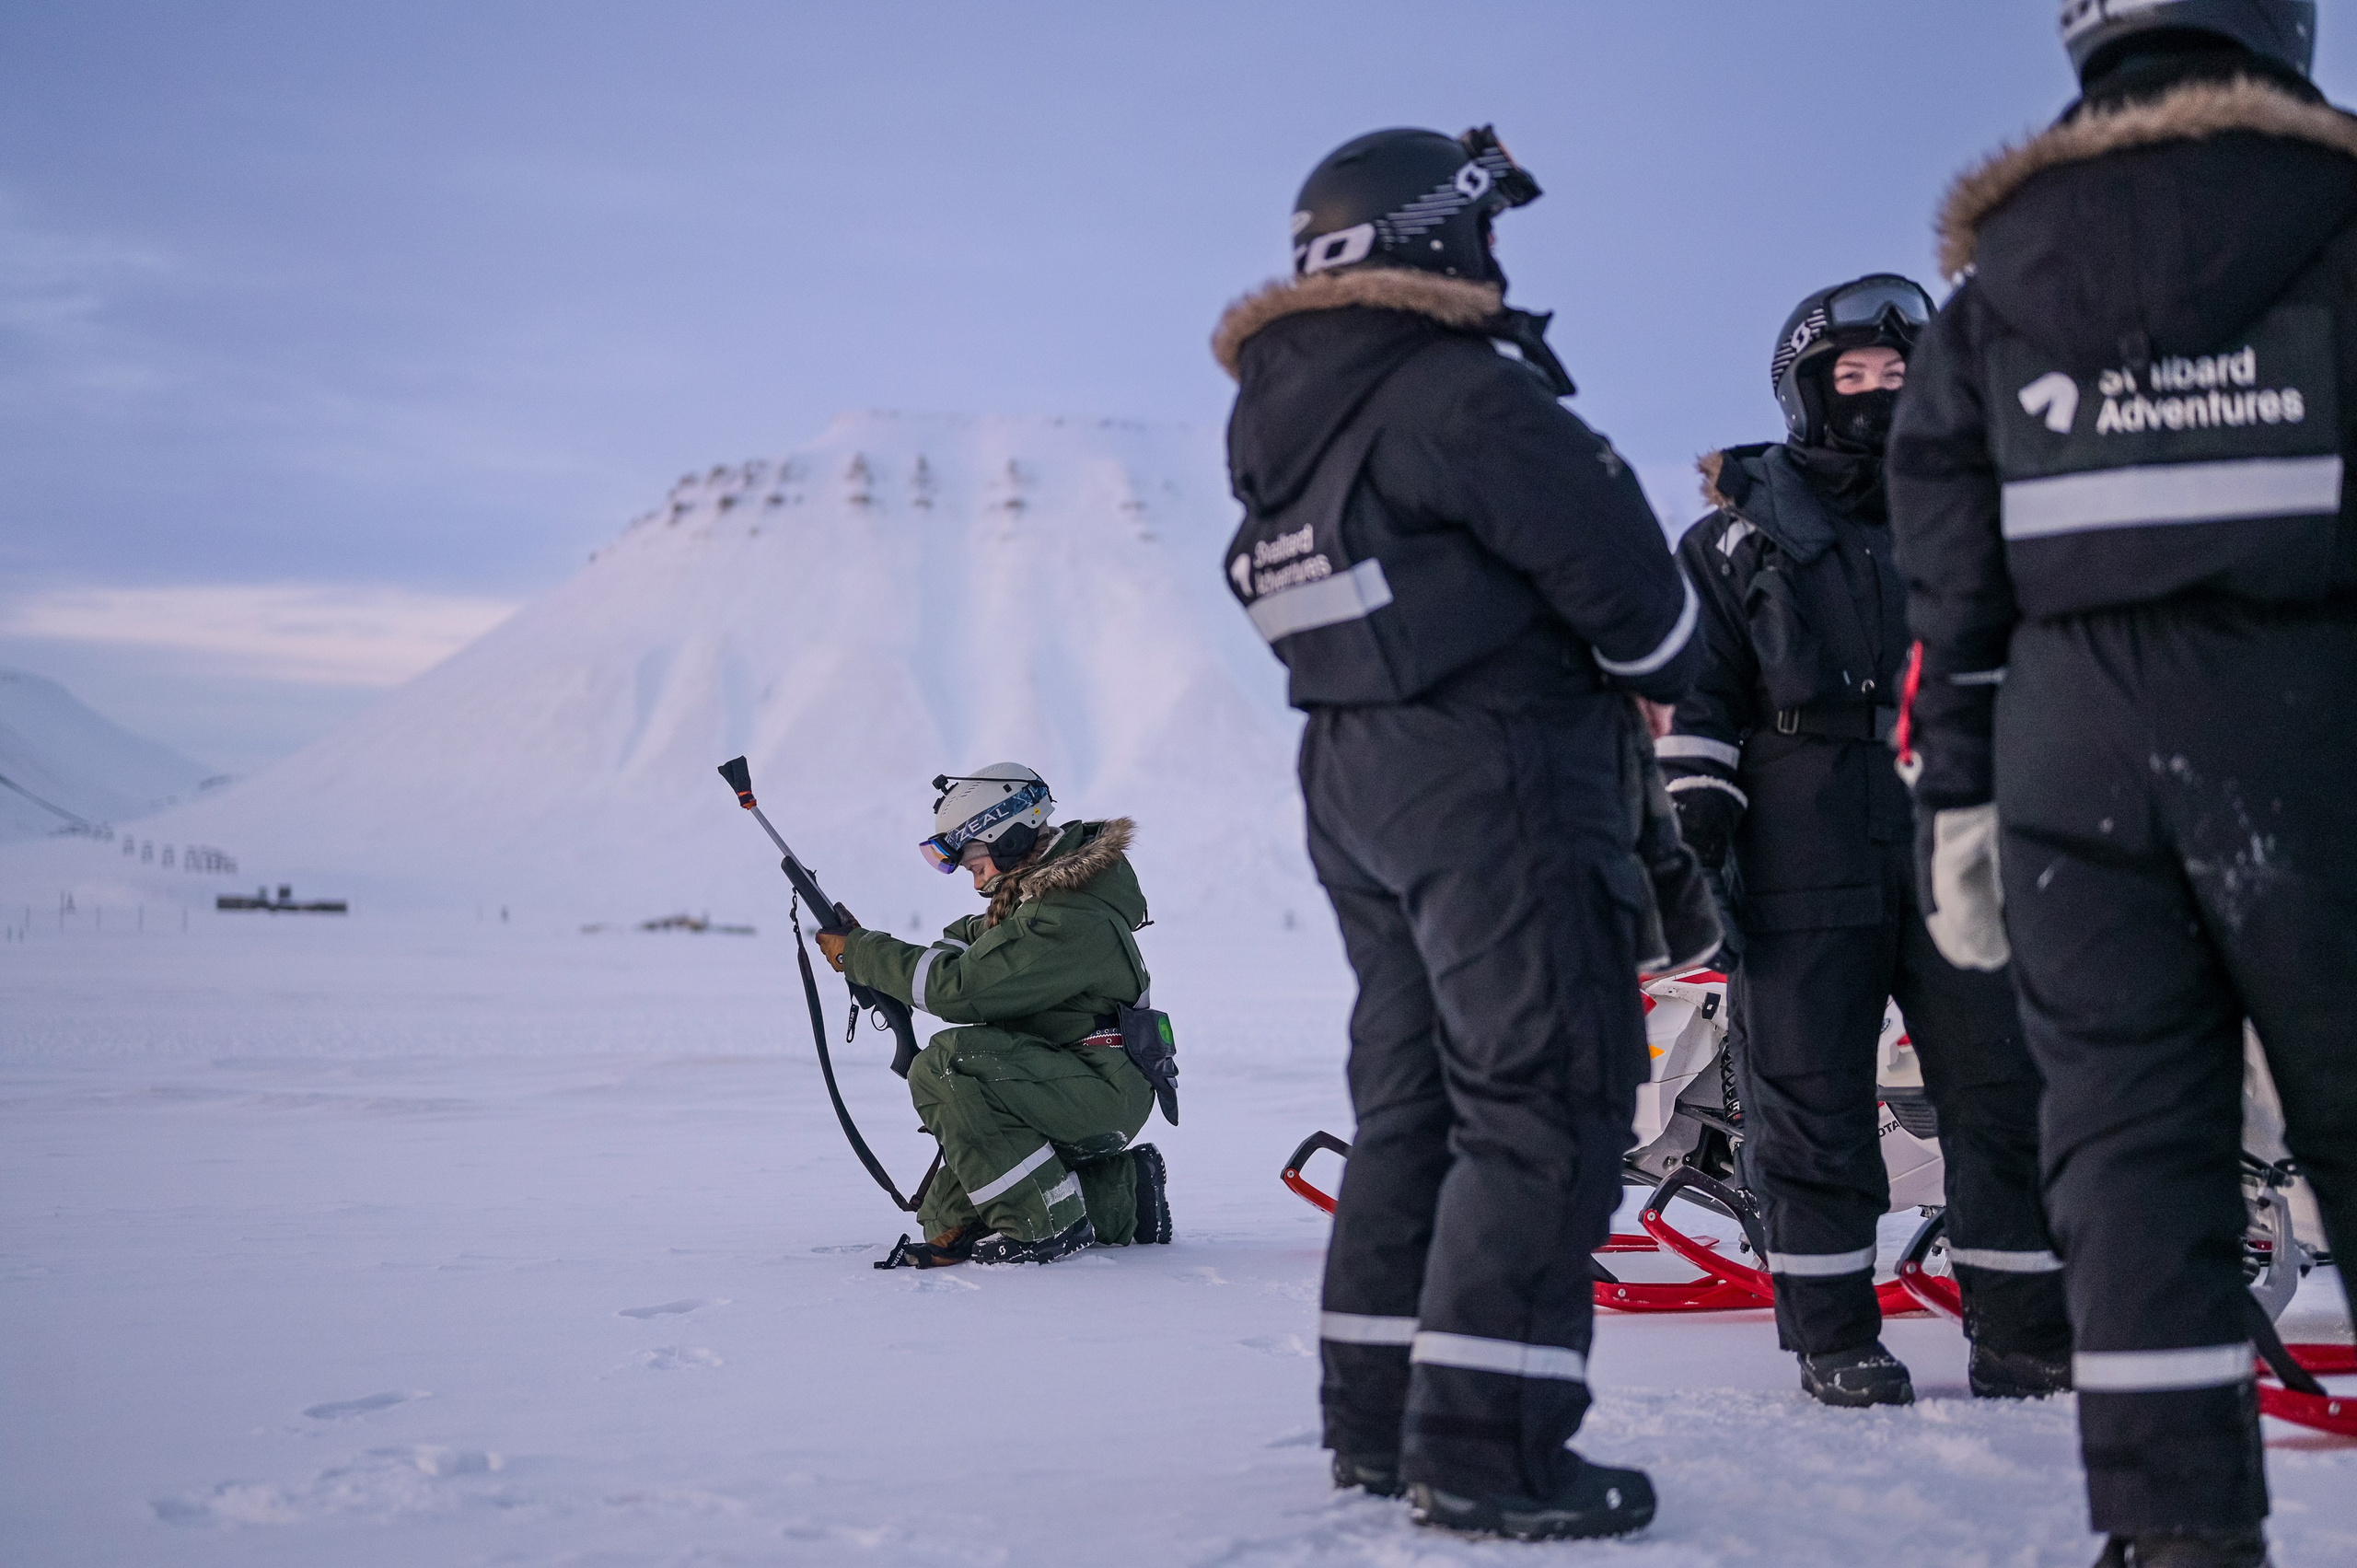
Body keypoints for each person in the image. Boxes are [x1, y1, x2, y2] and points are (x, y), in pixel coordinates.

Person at [1887, 3, 2350, 1562]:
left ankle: (2173, 1537)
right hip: (2313, 728)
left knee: (2136, 1161)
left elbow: (1948, 580)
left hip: (2069, 757)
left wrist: (1959, 792)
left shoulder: (1992, 292)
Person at [1214, 125, 1701, 1540]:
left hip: (1355, 771)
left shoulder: (1283, 424)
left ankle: (1378, 1426)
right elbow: (1654, 618)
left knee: (1415, 1102)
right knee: (1544, 1098)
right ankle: (1493, 1449)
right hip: (1500, 773)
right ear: (1439, 238)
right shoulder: (1463, 397)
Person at [1660, 275, 2073, 1409]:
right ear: (1805, 389)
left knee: (2002, 1093)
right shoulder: (1734, 537)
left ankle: (2025, 1334)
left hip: (1962, 826)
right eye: (1852, 377)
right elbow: (1696, 696)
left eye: (1902, 375)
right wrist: (1696, 808)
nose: (1878, 396)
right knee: (1809, 1099)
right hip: (1799, 832)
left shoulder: (1988, 515)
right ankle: (1835, 1336)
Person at [817, 764, 1171, 1267]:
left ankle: (1044, 1227)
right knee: (946, 1221)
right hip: (1064, 1078)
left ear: (1007, 837)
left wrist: (864, 955)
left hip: (1098, 1084)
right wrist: (889, 963)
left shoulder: (1066, 916)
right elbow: (968, 937)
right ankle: (1126, 1194)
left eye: (974, 861)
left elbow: (959, 989)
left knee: (947, 1063)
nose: (974, 875)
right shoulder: (1032, 901)